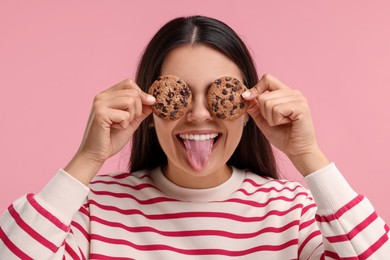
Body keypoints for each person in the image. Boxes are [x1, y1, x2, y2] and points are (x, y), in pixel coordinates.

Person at [0, 15, 389, 260]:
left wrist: (308, 154)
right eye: (179, 93)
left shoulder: (293, 211)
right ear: (150, 110)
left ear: (248, 108)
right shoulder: (94, 209)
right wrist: (87, 159)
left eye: (220, 96)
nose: (200, 113)